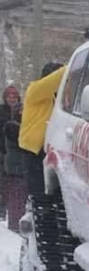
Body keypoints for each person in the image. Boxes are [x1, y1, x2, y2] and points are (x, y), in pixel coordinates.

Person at [19, 62, 66, 196]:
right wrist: (73, 66)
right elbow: (54, 80)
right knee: (39, 194)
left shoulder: (54, 98)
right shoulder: (34, 89)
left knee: (50, 194)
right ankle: (39, 215)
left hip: (48, 149)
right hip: (33, 151)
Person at [0, 85, 26, 232]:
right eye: (9, 97)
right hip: (2, 151)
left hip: (16, 153)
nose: (12, 99)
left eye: (14, 97)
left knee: (13, 183)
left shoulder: (22, 111)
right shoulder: (1, 111)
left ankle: (12, 214)